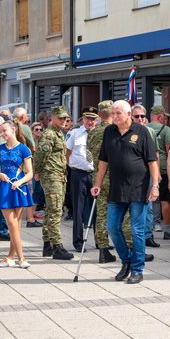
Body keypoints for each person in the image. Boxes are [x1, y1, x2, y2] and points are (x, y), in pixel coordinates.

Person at [91, 100, 159, 284]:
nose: (114, 116)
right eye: (113, 113)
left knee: (137, 230)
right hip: (116, 187)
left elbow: (152, 161)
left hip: (139, 187)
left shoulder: (142, 132)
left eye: (118, 113)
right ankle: (126, 260)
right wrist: (97, 183)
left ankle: (137, 269)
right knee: (112, 226)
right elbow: (103, 161)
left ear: (129, 114)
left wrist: (155, 186)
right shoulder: (109, 132)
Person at [0, 121, 34, 268]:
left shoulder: (24, 149)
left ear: (13, 130)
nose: (1, 133)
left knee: (16, 224)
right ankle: (21, 258)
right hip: (3, 188)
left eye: (4, 131)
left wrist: (20, 181)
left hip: (18, 188)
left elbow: (30, 173)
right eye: (0, 131)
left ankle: (10, 257)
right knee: (11, 223)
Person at [34, 105, 75, 261]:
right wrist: (37, 172)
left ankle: (48, 244)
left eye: (66, 118)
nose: (64, 121)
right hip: (52, 176)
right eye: (61, 118)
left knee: (51, 210)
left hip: (58, 175)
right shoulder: (50, 135)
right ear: (53, 118)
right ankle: (57, 246)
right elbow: (39, 155)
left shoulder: (58, 134)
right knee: (56, 210)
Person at [86, 100, 117, 264]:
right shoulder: (115, 130)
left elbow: (89, 156)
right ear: (112, 113)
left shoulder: (92, 132)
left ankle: (103, 250)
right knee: (124, 212)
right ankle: (130, 247)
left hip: (98, 176)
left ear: (99, 114)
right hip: (115, 176)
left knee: (101, 214)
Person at [66, 106, 98, 252]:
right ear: (83, 119)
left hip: (96, 174)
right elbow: (67, 154)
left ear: (97, 120)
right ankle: (78, 241)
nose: (90, 122)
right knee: (78, 209)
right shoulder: (74, 133)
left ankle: (100, 241)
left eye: (93, 119)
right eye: (87, 118)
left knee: (98, 209)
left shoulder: (100, 134)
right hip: (78, 174)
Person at [132, 104, 160, 249]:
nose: (140, 119)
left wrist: (158, 174)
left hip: (148, 173)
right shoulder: (127, 131)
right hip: (133, 174)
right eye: (136, 116)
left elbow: (155, 154)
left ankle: (148, 235)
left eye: (142, 116)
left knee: (149, 206)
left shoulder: (150, 132)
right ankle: (134, 236)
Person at [148, 105, 170, 240]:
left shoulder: (144, 128)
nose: (165, 118)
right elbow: (169, 149)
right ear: (160, 116)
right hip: (163, 168)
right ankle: (168, 229)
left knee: (148, 199)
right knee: (165, 200)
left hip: (147, 167)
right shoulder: (165, 129)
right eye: (164, 116)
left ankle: (150, 228)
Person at [30, 122, 45, 214]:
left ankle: (34, 212)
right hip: (32, 169)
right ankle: (30, 213)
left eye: (40, 129)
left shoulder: (44, 141)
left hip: (42, 169)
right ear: (32, 132)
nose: (39, 131)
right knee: (35, 190)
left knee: (39, 191)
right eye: (36, 129)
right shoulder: (31, 142)